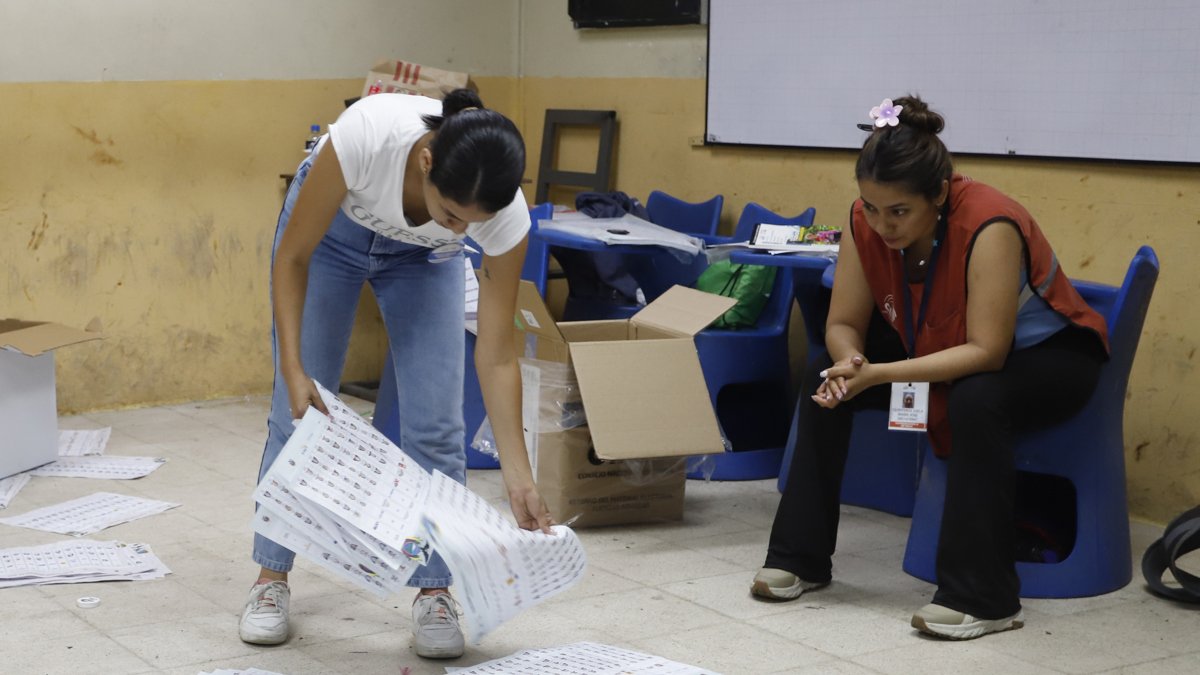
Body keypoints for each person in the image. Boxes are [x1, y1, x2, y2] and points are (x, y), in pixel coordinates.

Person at [752, 96, 1109, 640]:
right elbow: (844, 320)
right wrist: (852, 363)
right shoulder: (864, 222)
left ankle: (984, 598)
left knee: (976, 397)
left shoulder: (990, 225)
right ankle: (798, 558)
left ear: (939, 195)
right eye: (871, 208)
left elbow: (987, 351)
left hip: (1049, 358)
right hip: (937, 345)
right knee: (826, 372)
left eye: (899, 212)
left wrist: (879, 375)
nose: (882, 225)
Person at [238, 89, 553, 659]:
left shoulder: (500, 218)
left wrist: (519, 475)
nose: (461, 231)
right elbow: (293, 257)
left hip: (421, 263)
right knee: (301, 414)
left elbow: (498, 354)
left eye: (472, 225)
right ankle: (270, 579)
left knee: (436, 425)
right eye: (453, 214)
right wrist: (293, 367)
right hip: (331, 240)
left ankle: (434, 590)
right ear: (426, 161)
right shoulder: (367, 136)